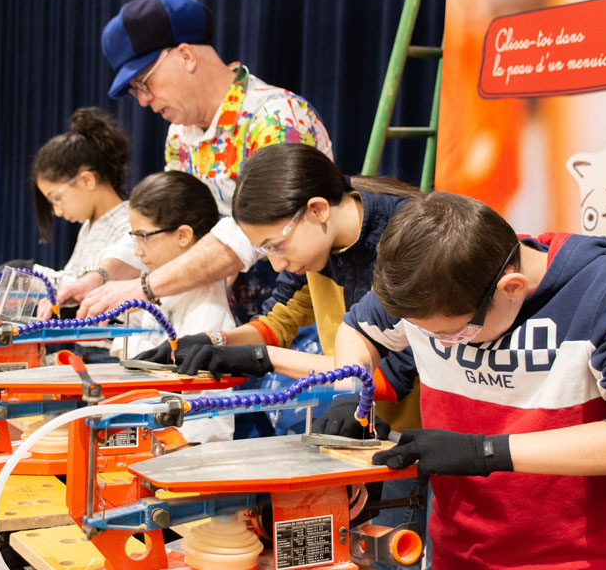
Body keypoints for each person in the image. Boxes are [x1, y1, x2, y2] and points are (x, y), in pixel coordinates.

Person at [326, 190, 606, 569]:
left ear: (512, 289)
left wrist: (484, 452)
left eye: (451, 333)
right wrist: (351, 395)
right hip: (454, 549)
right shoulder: (432, 277)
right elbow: (359, 329)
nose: (438, 344)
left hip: (569, 559)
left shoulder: (602, 293)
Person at [135, 143, 427, 556]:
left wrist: (265, 360)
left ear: (317, 210)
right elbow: (277, 322)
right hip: (361, 430)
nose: (273, 264)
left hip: (415, 438)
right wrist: (213, 342)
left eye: (275, 245)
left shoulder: (407, 242)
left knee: (397, 554)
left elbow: (390, 376)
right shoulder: (319, 247)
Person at [57, 0, 333, 324]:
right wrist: (102, 276)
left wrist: (144, 288)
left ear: (186, 55)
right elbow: (162, 227)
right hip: (216, 328)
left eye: (144, 83)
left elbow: (252, 233)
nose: (144, 101)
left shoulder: (276, 118)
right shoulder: (180, 137)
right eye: (135, 91)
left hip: (297, 324)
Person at [115, 171, 237, 442]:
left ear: (183, 235)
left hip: (186, 458)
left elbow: (204, 426)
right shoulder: (161, 293)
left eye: (143, 236)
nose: (137, 250)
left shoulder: (207, 311)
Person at [27, 107, 140, 360]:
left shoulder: (131, 221)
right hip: (87, 350)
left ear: (87, 180)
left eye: (57, 199)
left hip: (115, 353)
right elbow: (73, 283)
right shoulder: (90, 227)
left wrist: (33, 274)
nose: (57, 211)